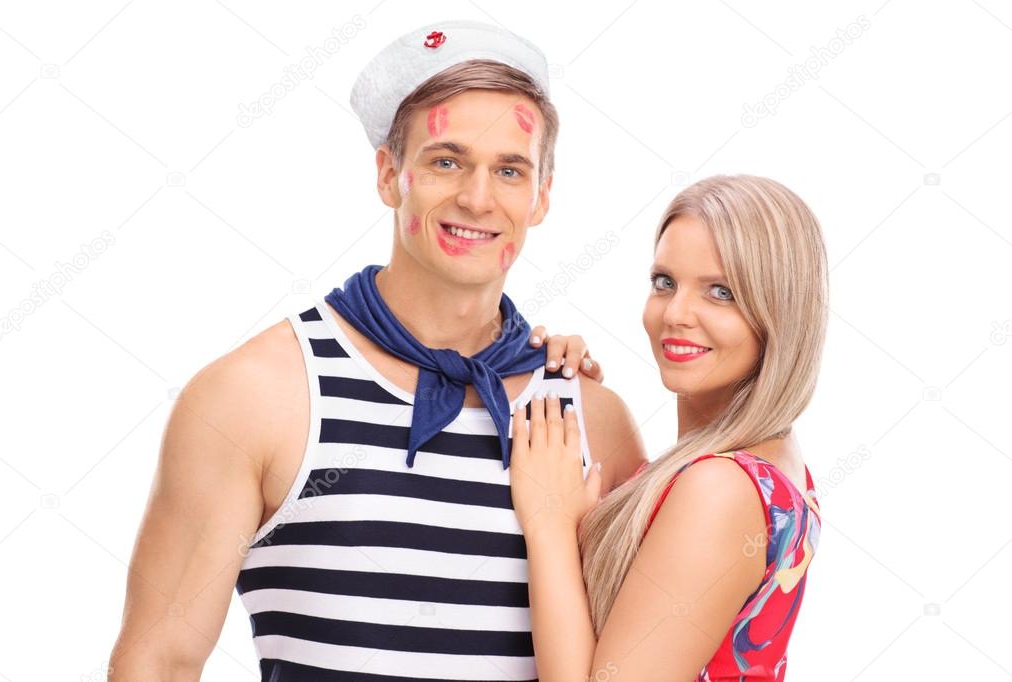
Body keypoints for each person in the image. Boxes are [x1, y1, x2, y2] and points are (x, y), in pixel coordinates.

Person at [107, 20, 646, 681]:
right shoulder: (255, 396)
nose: (477, 198)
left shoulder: (593, 419)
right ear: (390, 175)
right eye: (445, 161)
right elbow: (157, 663)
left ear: (540, 197)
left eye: (509, 170)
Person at [509, 174, 827, 681]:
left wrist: (549, 525)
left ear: (780, 313)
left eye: (721, 292)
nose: (676, 314)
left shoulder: (719, 488)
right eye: (664, 283)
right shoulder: (772, 458)